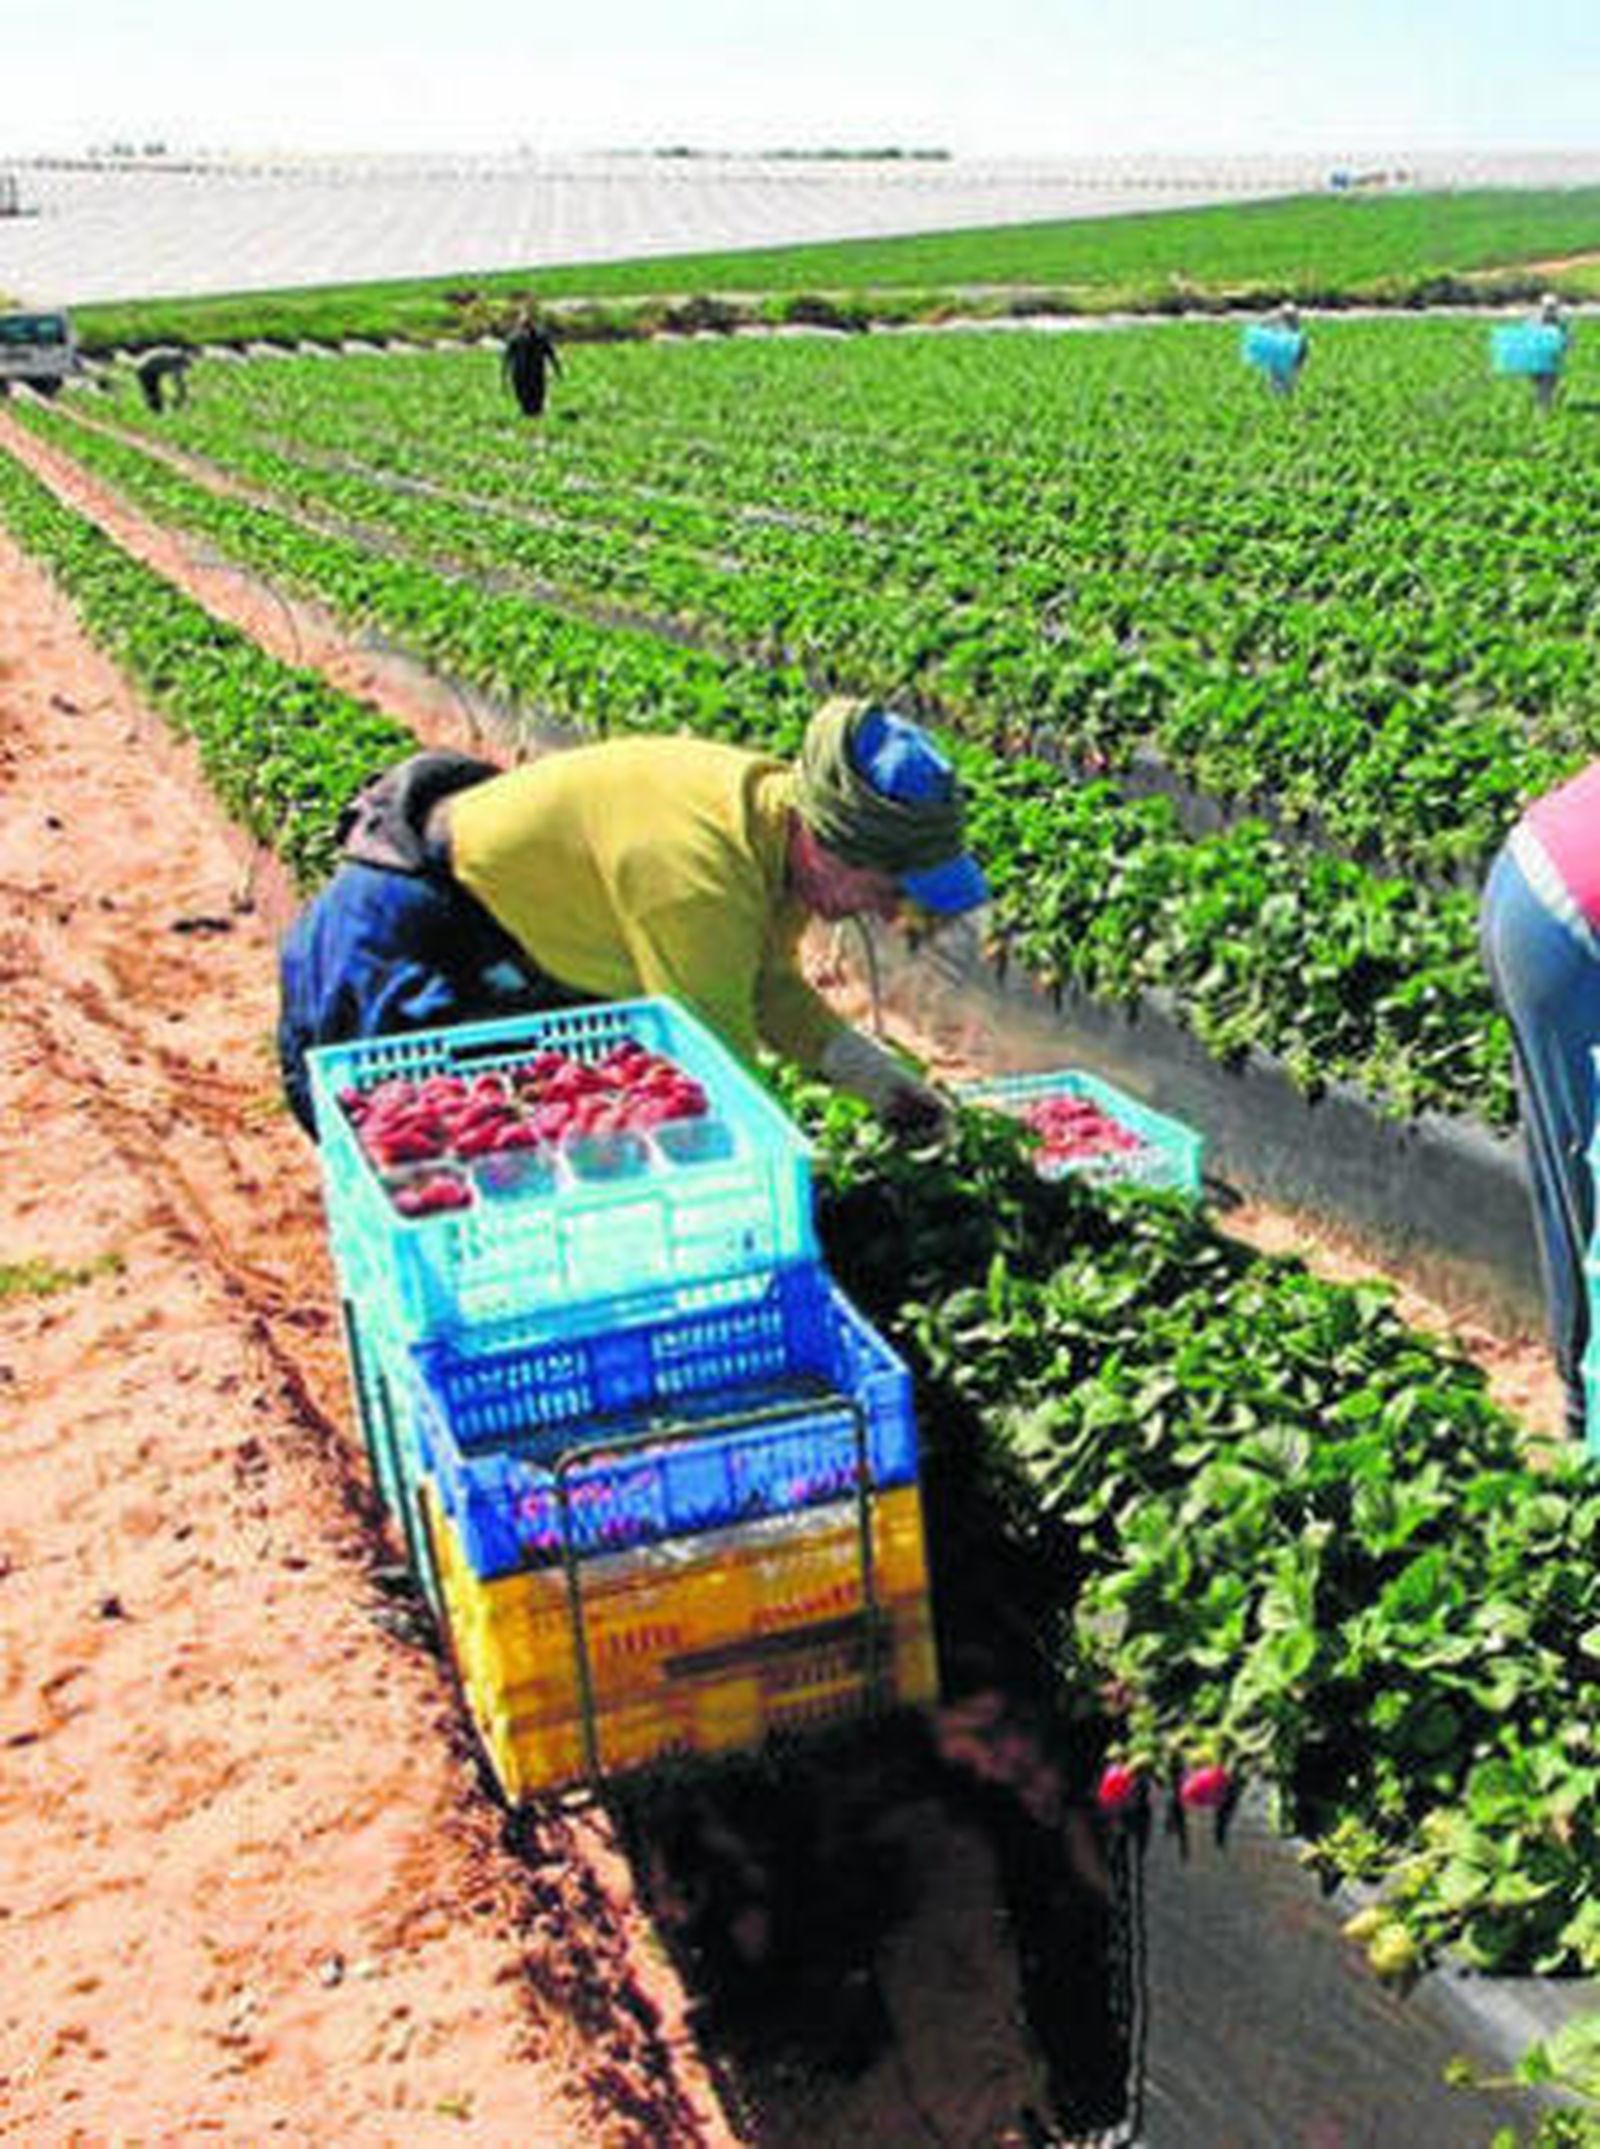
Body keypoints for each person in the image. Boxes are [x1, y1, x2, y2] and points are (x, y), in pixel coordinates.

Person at [277, 697, 990, 1140]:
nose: (887, 908)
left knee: (531, 1140)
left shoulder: (772, 825)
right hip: (407, 943)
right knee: (416, 1159)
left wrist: (873, 1079)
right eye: (886, 885)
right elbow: (716, 1073)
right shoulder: (696, 872)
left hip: (510, 945)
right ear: (829, 842)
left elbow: (767, 986)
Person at [1479, 761, 1600, 1447]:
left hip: (1535, 869)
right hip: (1567, 921)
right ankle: (1590, 1416)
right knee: (1588, 1175)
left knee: (1571, 1165)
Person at [500, 309, 562, 420]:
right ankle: (527, 414)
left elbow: (550, 353)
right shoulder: (515, 338)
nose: (526, 327)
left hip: (535, 372)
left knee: (537, 394)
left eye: (527, 323)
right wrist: (504, 375)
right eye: (524, 324)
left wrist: (557, 368)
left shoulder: (540, 336)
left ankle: (536, 414)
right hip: (521, 373)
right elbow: (507, 357)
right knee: (523, 395)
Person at [1528, 292, 1570, 414]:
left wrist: (1565, 344)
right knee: (1538, 383)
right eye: (1548, 307)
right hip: (1536, 357)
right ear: (1541, 306)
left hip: (1553, 357)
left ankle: (1543, 409)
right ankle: (1546, 402)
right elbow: (1527, 338)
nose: (1550, 310)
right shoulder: (1533, 320)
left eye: (1553, 307)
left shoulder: (1561, 321)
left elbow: (1568, 339)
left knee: (1547, 383)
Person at [133, 346, 194, 413]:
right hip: (144, 368)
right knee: (152, 393)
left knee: (154, 393)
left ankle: (159, 411)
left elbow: (179, 381)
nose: (184, 369)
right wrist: (184, 398)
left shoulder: (174, 355)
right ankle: (157, 412)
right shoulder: (174, 360)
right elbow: (179, 381)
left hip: (148, 365)